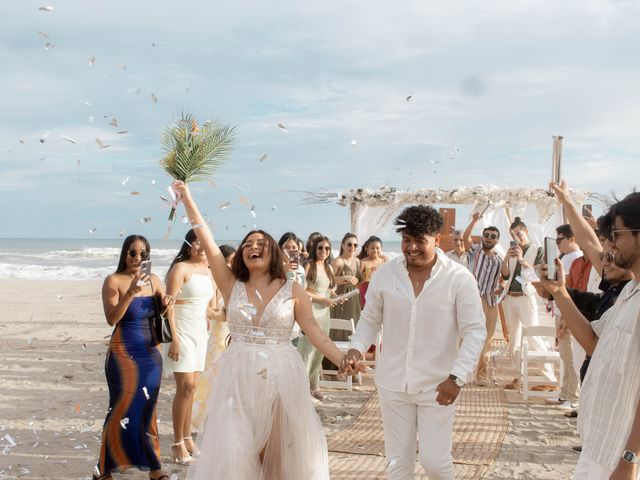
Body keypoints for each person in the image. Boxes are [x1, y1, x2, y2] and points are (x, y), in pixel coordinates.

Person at [173, 181, 353, 480]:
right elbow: (206, 237)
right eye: (247, 244)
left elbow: (314, 332)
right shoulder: (232, 285)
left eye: (260, 244)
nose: (252, 247)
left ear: (274, 253)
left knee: (275, 456)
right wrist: (188, 198)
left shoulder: (294, 289)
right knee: (235, 451)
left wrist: (341, 357)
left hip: (280, 376)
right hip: (237, 376)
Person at [347, 205, 486, 480]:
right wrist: (355, 348)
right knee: (398, 465)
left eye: (419, 241)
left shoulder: (459, 279)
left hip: (439, 386)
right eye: (406, 240)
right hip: (393, 382)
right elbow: (370, 319)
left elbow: (475, 331)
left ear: (436, 238)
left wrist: (457, 377)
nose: (411, 248)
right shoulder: (386, 273)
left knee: (435, 462)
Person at [535, 189, 640, 480]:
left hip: (620, 453)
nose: (610, 247)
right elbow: (594, 343)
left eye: (617, 236)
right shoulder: (630, 292)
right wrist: (559, 293)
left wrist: (631, 457)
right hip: (600, 441)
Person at [93, 235, 169, 480]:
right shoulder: (113, 281)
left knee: (148, 409)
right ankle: (104, 470)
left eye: (143, 254)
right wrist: (130, 293)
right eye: (133, 252)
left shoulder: (155, 280)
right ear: (124, 254)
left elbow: (162, 313)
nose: (138, 258)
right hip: (122, 354)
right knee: (120, 410)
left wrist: (167, 303)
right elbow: (112, 318)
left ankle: (155, 468)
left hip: (151, 353)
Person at [164, 229, 216, 465]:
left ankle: (187, 438)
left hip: (200, 334)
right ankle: (177, 443)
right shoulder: (180, 269)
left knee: (192, 388)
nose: (201, 246)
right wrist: (174, 338)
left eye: (204, 242)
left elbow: (208, 309)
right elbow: (169, 306)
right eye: (196, 242)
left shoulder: (208, 271)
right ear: (188, 245)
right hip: (182, 331)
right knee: (184, 386)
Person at [500, 217, 557, 391]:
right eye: (514, 235)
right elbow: (504, 276)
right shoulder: (511, 251)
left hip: (526, 297)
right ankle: (518, 376)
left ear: (526, 231)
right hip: (510, 296)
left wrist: (522, 260)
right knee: (514, 340)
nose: (518, 237)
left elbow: (537, 276)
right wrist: (506, 259)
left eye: (519, 233)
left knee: (533, 336)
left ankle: (549, 379)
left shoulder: (537, 250)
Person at [191, 245, 235, 433]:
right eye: (228, 260)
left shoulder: (234, 280)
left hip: (231, 334)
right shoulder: (214, 279)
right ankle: (208, 419)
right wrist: (225, 315)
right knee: (214, 376)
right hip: (219, 334)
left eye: (233, 261)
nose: (230, 265)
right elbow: (209, 310)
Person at [462, 213, 504, 386]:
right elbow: (465, 237)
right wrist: (473, 220)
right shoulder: (475, 250)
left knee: (487, 339)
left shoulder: (499, 260)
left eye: (493, 237)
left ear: (497, 241)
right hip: (472, 299)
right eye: (486, 235)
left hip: (490, 303)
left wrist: (500, 287)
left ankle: (481, 374)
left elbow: (502, 279)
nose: (488, 238)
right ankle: (459, 373)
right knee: (464, 336)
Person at [297, 235, 337, 400]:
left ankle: (314, 386)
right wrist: (322, 299)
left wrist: (336, 296)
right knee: (307, 350)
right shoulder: (308, 265)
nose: (324, 251)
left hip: (324, 313)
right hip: (310, 311)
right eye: (320, 247)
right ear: (315, 248)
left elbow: (329, 291)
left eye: (327, 248)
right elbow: (301, 290)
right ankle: (302, 387)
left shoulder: (329, 268)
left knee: (320, 349)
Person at [554, 223, 584, 409]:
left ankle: (573, 396)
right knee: (565, 355)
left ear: (571, 238)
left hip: (568, 311)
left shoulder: (576, 257)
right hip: (561, 310)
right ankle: (565, 393)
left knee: (570, 356)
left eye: (559, 240)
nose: (557, 244)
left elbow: (572, 289)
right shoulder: (567, 257)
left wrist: (566, 315)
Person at [331, 233, 362, 340]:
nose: (352, 247)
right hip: (342, 298)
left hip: (354, 298)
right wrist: (346, 277)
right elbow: (330, 281)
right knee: (340, 327)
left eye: (355, 245)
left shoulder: (357, 261)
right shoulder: (338, 261)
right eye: (349, 244)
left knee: (354, 325)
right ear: (343, 245)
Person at [358, 235, 386, 307]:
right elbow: (358, 282)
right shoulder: (363, 262)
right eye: (372, 248)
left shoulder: (384, 261)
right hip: (365, 290)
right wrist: (367, 277)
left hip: (380, 290)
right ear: (367, 249)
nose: (375, 250)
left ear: (381, 249)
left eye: (377, 248)